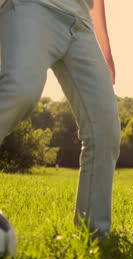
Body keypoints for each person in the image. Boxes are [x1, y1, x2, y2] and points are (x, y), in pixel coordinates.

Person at [0, 0, 120, 237]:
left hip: (81, 23)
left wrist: (104, 45)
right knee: (20, 91)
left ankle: (95, 235)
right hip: (31, 7)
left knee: (105, 128)